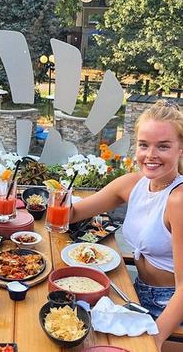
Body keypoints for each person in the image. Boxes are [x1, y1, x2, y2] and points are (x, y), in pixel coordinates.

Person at [69, 100, 183, 351]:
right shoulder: (133, 184)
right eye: (144, 145)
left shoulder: (179, 200)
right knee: (71, 323)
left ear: (180, 150)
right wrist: (50, 199)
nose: (150, 155)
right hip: (135, 290)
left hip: (169, 308)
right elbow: (73, 214)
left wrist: (154, 339)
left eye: (163, 146)